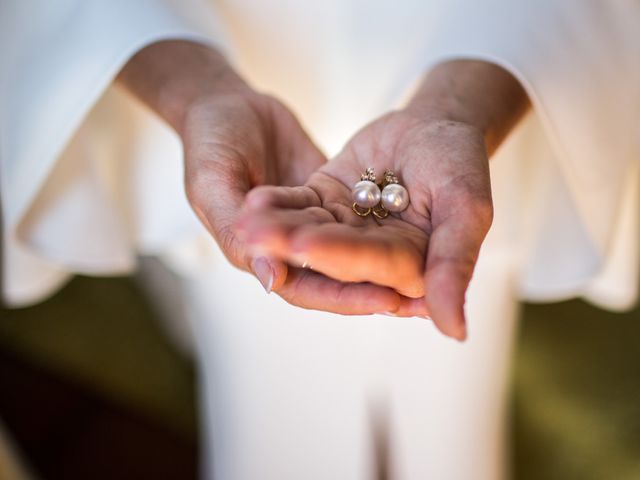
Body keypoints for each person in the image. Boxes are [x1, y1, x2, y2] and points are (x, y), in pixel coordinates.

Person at [1, 1, 638, 478]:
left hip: (482, 74)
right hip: (241, 93)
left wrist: (461, 101)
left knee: (452, 414)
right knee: (270, 406)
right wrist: (194, 87)